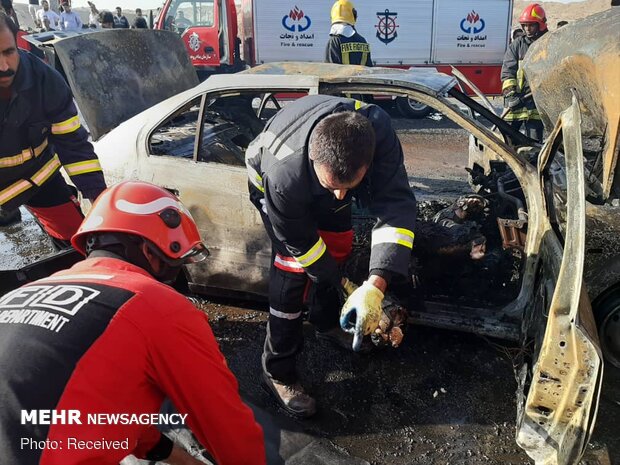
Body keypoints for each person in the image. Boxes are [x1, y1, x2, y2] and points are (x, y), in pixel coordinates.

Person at [0, 181, 267, 465]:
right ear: (149, 251)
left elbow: (94, 409)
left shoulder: (17, 295)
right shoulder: (153, 303)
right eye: (174, 261)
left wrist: (172, 455)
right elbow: (224, 422)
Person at [246, 95, 416, 417]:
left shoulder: (377, 131)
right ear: (314, 160)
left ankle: (325, 323)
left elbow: (396, 208)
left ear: (367, 161)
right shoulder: (284, 176)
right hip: (272, 189)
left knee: (337, 245)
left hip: (317, 175)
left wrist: (374, 286)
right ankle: (277, 371)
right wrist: (341, 282)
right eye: (332, 186)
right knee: (294, 271)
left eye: (349, 186)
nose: (340, 196)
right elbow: (304, 246)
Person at [0, 13, 105, 246]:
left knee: (79, 245)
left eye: (8, 52)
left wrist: (99, 198)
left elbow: (73, 146)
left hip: (38, 179)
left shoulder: (45, 80)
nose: (4, 66)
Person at [501, 3, 548, 142]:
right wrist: (510, 94)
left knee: (533, 144)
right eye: (525, 25)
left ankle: (531, 163)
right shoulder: (517, 45)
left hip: (536, 105)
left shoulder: (548, 43)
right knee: (508, 142)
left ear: (540, 25)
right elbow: (508, 70)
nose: (527, 29)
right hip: (516, 102)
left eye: (531, 25)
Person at [325, 0, 372, 66]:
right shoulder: (363, 41)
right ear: (354, 16)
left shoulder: (334, 41)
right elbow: (369, 69)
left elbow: (330, 70)